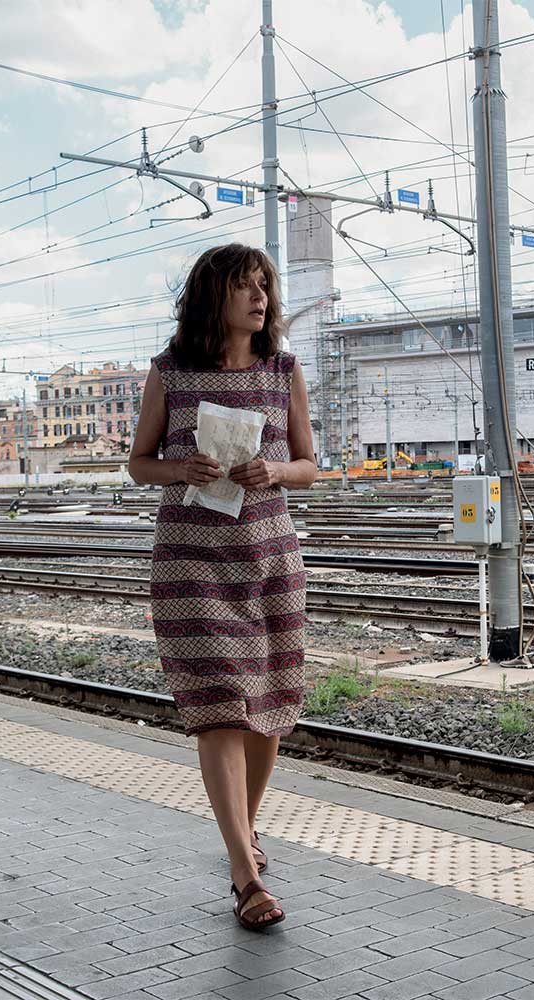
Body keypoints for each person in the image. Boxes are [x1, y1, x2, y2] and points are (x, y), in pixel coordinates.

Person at [128, 244, 316, 931]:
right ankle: (244, 873)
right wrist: (181, 466)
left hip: (270, 558)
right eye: (245, 286)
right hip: (191, 562)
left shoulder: (283, 370)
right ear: (215, 296)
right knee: (218, 706)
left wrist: (276, 472)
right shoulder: (170, 372)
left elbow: (309, 465)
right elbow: (137, 465)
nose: (259, 297)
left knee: (269, 707)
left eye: (264, 284)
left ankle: (244, 832)